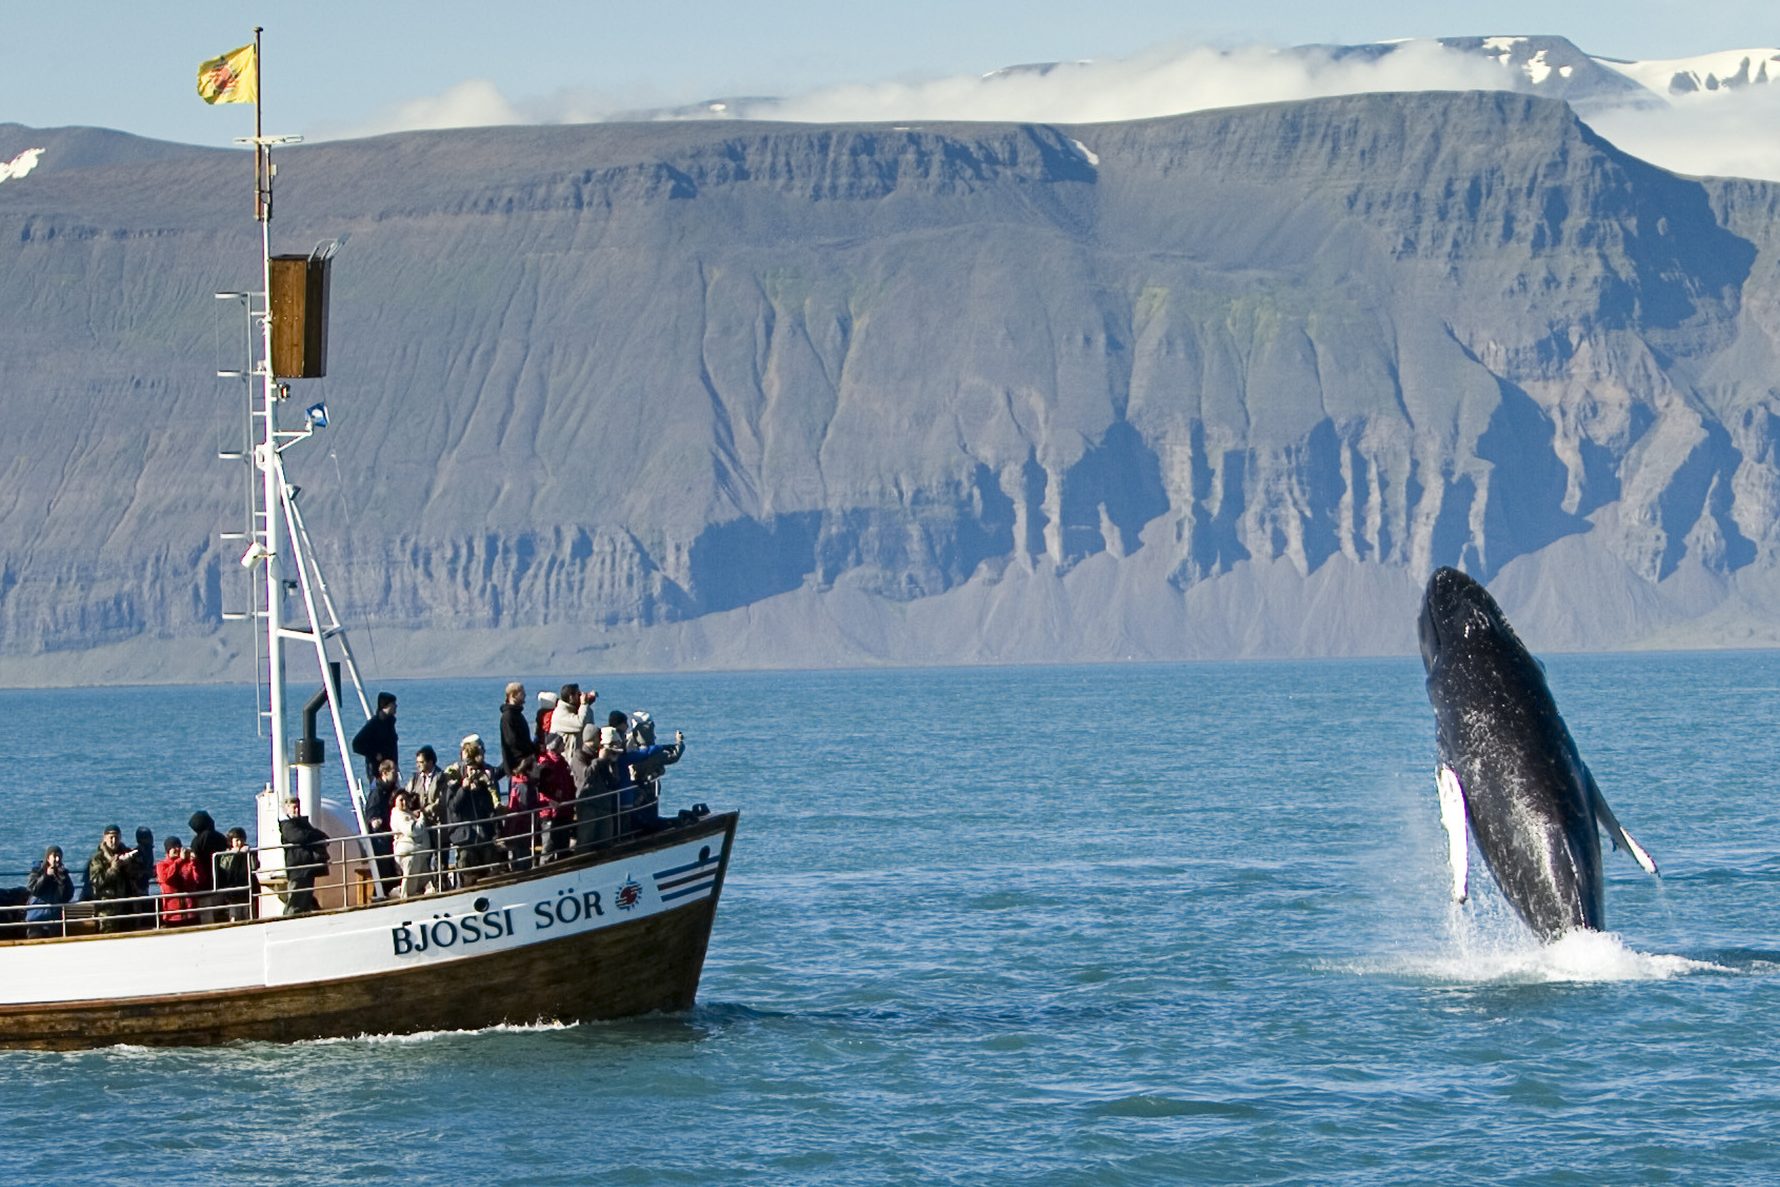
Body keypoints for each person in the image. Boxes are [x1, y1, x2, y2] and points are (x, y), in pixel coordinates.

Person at [445, 735, 500, 887]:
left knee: (492, 865)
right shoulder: (453, 782)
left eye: (475, 769)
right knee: (467, 867)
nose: (473, 772)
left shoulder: (482, 781)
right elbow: (454, 807)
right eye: (470, 769)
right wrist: (464, 788)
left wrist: (480, 790)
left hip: (483, 834)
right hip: (465, 837)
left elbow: (489, 808)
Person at [85, 825, 146, 933]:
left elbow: (140, 875)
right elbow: (96, 881)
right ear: (104, 838)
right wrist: (113, 869)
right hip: (108, 910)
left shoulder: (127, 853)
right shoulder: (98, 858)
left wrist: (128, 866)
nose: (114, 841)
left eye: (116, 838)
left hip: (128, 907)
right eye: (111, 838)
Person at [279, 796, 330, 915]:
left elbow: (319, 834)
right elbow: (298, 836)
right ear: (286, 809)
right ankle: (289, 919)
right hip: (297, 867)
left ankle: (303, 914)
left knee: (306, 896)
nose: (297, 810)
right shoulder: (287, 825)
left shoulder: (303, 823)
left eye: (298, 807)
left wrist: (316, 836)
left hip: (307, 865)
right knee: (295, 898)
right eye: (294, 808)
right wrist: (314, 836)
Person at [407, 745, 446, 891]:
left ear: (431, 762)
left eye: (421, 762)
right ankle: (426, 886)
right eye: (417, 763)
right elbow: (408, 794)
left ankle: (441, 884)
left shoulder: (441, 777)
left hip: (438, 823)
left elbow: (441, 801)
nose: (418, 765)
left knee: (440, 856)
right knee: (424, 857)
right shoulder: (415, 778)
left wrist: (424, 810)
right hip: (422, 825)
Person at [535, 733, 577, 862]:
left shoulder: (562, 761)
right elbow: (538, 788)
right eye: (561, 743)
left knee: (563, 841)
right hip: (550, 812)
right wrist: (550, 801)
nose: (564, 745)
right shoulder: (545, 764)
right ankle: (544, 865)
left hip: (565, 809)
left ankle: (562, 863)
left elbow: (569, 783)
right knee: (549, 844)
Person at [364, 759, 401, 896]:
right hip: (381, 837)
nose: (397, 774)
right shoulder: (377, 792)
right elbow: (371, 812)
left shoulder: (392, 790)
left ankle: (390, 889)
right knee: (384, 866)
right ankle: (380, 893)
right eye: (394, 772)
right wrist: (375, 820)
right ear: (384, 773)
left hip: (390, 833)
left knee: (392, 865)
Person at [24, 845, 74, 939]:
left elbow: (68, 895)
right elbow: (33, 889)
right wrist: (46, 876)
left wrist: (62, 881)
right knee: (35, 939)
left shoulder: (63, 873)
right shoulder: (37, 870)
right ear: (48, 858)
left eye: (59, 856)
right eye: (54, 856)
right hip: (36, 916)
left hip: (55, 917)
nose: (57, 859)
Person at [187, 810, 228, 923]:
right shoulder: (220, 837)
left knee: (206, 912)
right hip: (221, 877)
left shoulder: (197, 841)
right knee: (222, 909)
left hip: (203, 882)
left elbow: (195, 858)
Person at [351, 692, 400, 788]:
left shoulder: (390, 723)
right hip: (377, 771)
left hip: (391, 769)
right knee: (379, 794)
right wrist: (374, 754)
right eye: (393, 704)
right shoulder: (374, 724)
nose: (396, 706)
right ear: (385, 706)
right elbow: (356, 744)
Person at [390, 790, 431, 899]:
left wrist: (414, 815)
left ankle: (426, 892)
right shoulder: (399, 815)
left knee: (423, 878)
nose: (404, 802)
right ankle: (405, 897)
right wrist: (422, 818)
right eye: (400, 800)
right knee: (410, 882)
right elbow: (412, 830)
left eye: (405, 799)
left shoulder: (407, 813)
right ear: (395, 802)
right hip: (409, 853)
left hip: (418, 851)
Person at [155, 837, 202, 928]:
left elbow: (198, 879)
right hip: (172, 915)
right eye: (174, 847)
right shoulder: (161, 865)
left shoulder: (188, 863)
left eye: (179, 846)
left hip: (191, 912)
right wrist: (179, 861)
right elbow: (166, 878)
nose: (177, 849)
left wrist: (194, 862)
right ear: (168, 850)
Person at [215, 827, 259, 921]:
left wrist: (248, 854)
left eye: (242, 840)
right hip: (233, 890)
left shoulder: (249, 853)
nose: (239, 843)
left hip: (248, 888)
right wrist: (233, 854)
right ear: (231, 841)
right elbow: (224, 867)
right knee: (234, 915)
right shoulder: (227, 854)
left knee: (249, 914)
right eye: (237, 840)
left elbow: (254, 866)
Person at [499, 682, 537, 780]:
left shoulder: (518, 714)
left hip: (525, 761)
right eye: (522, 693)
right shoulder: (508, 716)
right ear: (513, 695)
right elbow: (512, 742)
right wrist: (523, 760)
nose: (525, 696)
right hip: (517, 765)